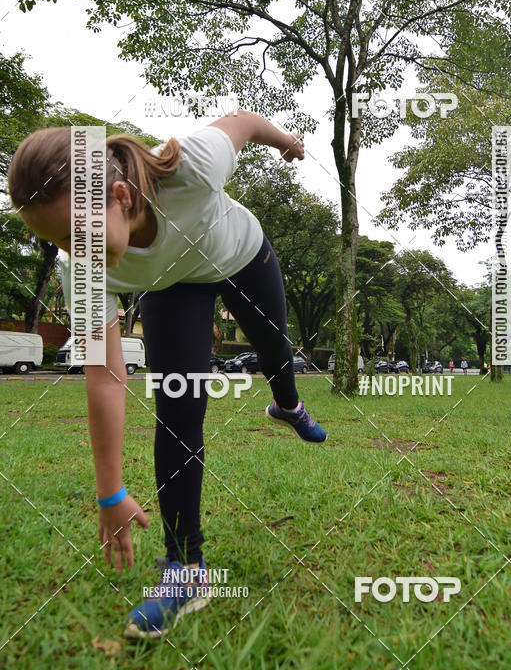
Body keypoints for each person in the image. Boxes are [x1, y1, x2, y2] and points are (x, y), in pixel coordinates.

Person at [7, 110, 327, 639]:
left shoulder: (193, 168)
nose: (72, 254)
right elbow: (106, 374)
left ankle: (288, 406)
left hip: (241, 255)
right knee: (179, 407)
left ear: (122, 197)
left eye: (75, 235)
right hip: (172, 285)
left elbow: (243, 122)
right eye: (57, 243)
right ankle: (187, 569)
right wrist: (109, 491)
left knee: (275, 350)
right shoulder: (81, 266)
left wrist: (287, 142)